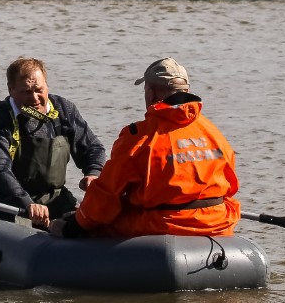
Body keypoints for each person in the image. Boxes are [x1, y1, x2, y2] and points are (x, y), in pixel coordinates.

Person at [52, 57, 240, 239]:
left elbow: (107, 195)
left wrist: (75, 224)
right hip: (217, 222)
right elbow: (231, 187)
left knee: (96, 226)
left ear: (150, 93)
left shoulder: (138, 137)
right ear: (186, 90)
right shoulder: (213, 132)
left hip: (163, 225)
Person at [0, 57, 107, 229]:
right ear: (11, 90)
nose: (34, 98)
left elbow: (93, 148)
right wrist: (25, 203)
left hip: (53, 198)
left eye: (39, 90)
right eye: (26, 92)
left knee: (91, 225)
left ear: (47, 86)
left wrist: (93, 172)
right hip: (3, 199)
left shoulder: (64, 110)